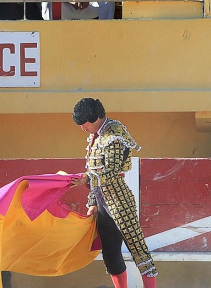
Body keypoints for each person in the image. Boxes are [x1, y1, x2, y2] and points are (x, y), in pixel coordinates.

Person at [70, 98, 157, 288]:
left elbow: (111, 171)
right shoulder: (96, 136)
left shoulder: (114, 134)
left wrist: (87, 179)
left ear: (95, 118)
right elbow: (92, 167)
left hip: (119, 200)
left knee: (138, 248)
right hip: (103, 202)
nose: (82, 128)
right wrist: (93, 201)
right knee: (110, 253)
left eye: (84, 123)